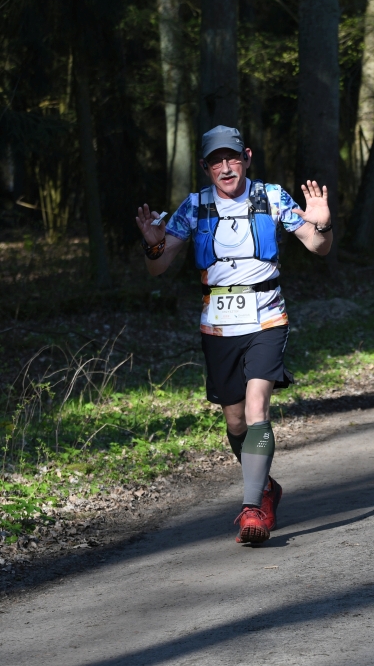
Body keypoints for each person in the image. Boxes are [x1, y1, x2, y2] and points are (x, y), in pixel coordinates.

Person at [134, 126, 333, 545]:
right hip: (218, 324)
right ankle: (266, 488)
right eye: (216, 161)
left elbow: (318, 247)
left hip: (267, 318)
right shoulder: (194, 206)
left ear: (246, 157)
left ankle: (251, 509)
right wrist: (153, 246)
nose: (226, 168)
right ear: (205, 166)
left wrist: (324, 225)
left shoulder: (272, 196)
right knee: (236, 420)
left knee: (258, 408)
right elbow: (158, 267)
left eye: (232, 158)